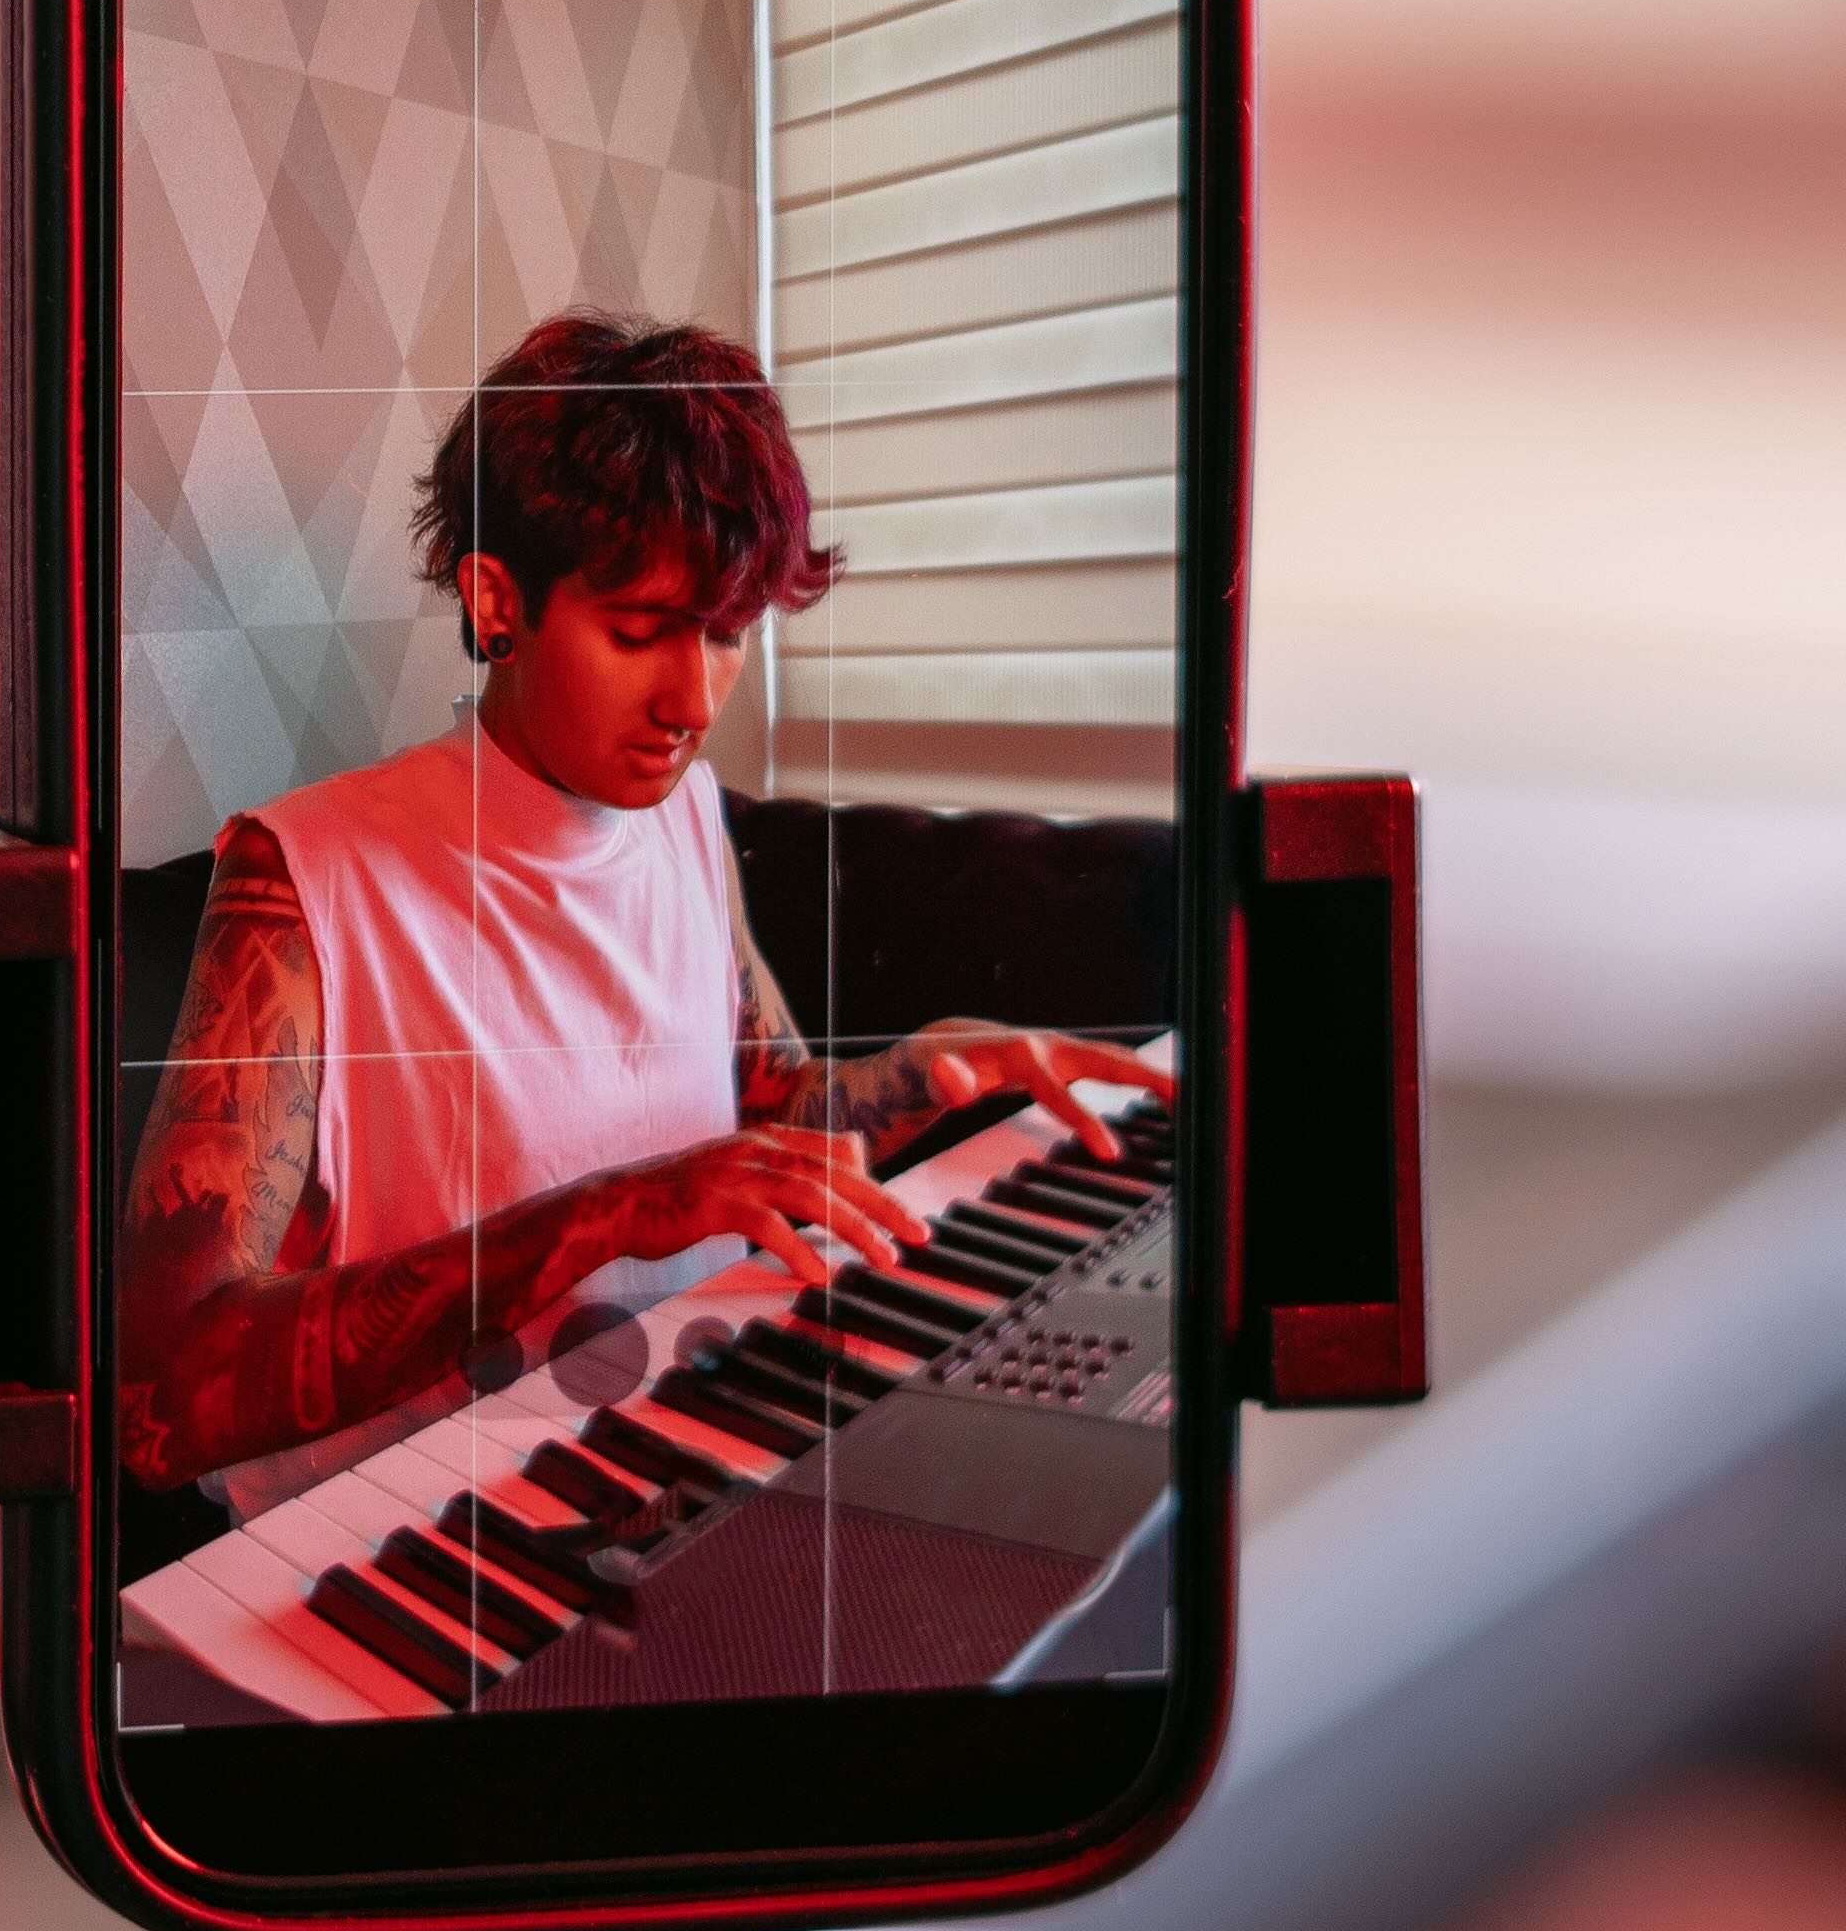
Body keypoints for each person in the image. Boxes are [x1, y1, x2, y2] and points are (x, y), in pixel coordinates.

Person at [115, 312, 1150, 1498]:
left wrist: (927, 1072)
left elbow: (764, 1119)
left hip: (681, 1470)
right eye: (642, 631)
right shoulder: (300, 881)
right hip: (408, 1560)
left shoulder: (684, 816)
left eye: (729, 634)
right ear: (497, 601)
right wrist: (610, 1214)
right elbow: (161, 1397)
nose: (696, 698)